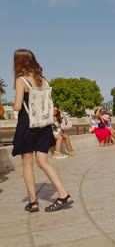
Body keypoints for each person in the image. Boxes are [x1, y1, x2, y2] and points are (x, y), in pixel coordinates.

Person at [12, 49, 73, 212]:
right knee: (43, 161)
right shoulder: (43, 80)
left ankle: (33, 202)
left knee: (27, 163)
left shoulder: (21, 80)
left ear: (18, 62)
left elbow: (18, 106)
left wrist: (13, 103)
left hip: (28, 126)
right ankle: (63, 194)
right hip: (43, 125)